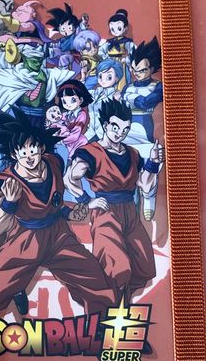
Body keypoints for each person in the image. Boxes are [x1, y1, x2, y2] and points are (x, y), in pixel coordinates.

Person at [0, 108, 117, 318]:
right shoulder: (5, 182)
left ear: (41, 148)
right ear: (14, 154)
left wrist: (74, 211)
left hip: (59, 235)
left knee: (93, 277)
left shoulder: (54, 163)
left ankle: (104, 323)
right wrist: (10, 203)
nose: (29, 157)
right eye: (23, 152)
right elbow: (0, 226)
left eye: (33, 150)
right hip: (26, 239)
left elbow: (56, 204)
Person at [64, 99, 164, 301]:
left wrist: (153, 163)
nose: (120, 133)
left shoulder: (133, 153)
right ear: (105, 125)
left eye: (125, 129)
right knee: (116, 267)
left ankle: (120, 303)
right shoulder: (91, 152)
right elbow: (69, 179)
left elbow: (144, 185)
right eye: (115, 127)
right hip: (105, 212)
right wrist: (86, 200)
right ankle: (107, 306)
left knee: (143, 267)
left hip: (130, 212)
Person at [123, 37, 163, 220]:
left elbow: (146, 102)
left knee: (148, 163)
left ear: (152, 69)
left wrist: (131, 98)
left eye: (142, 70)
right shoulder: (128, 87)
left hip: (145, 129)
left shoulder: (158, 86)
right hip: (126, 129)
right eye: (134, 70)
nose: (137, 73)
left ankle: (149, 196)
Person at [87, 59, 124, 141]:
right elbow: (81, 92)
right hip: (90, 133)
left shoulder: (116, 97)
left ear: (117, 78)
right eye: (100, 76)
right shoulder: (95, 93)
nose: (103, 80)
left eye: (109, 77)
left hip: (106, 135)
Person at [56, 80, 91, 158]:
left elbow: (76, 134)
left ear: (81, 100)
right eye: (64, 102)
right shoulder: (66, 114)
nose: (68, 105)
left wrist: (61, 140)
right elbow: (59, 122)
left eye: (73, 100)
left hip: (76, 142)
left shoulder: (81, 115)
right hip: (66, 140)